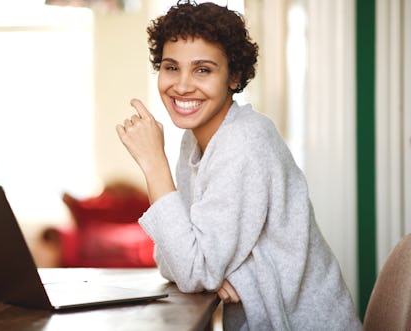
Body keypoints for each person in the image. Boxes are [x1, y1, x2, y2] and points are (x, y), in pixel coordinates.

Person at [116, 1, 362, 330]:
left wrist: (153, 162)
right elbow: (172, 257)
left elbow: (191, 267)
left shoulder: (244, 142)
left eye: (203, 69)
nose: (182, 85)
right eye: (171, 67)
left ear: (233, 76)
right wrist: (207, 271)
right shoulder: (196, 140)